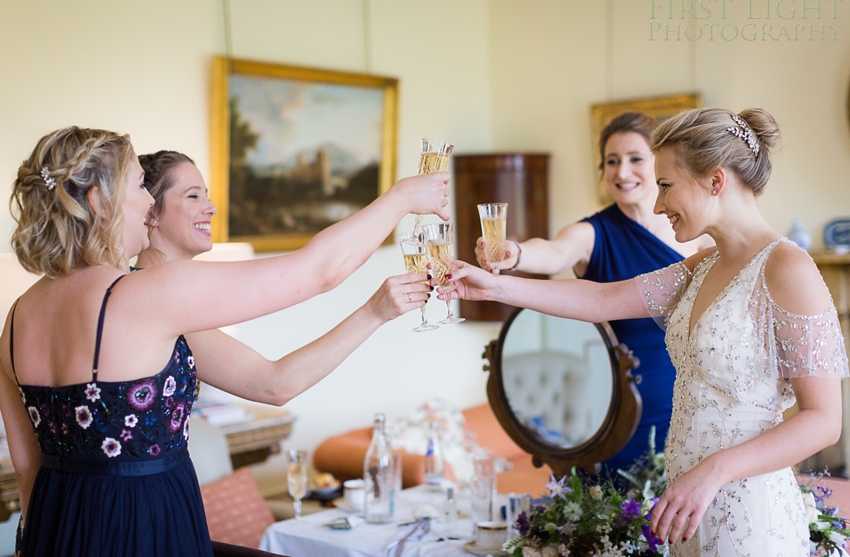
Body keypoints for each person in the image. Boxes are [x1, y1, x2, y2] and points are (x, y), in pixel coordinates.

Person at [0, 126, 449, 557]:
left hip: (53, 524)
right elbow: (318, 271)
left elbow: (26, 465)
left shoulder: (17, 317)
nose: (148, 205)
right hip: (145, 520)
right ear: (100, 202)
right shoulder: (144, 294)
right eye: (139, 187)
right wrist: (403, 197)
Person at [449, 107, 848, 555]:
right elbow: (602, 299)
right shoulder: (704, 264)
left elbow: (824, 422)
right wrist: (496, 286)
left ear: (715, 181)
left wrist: (713, 471)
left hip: (748, 513)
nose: (657, 205)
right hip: (687, 508)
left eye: (665, 186)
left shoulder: (788, 268)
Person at [475, 111, 710, 472]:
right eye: (611, 162)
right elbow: (554, 253)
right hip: (622, 413)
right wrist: (516, 253)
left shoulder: (696, 235)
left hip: (695, 404)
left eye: (635, 159)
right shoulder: (592, 233)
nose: (621, 172)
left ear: (659, 164)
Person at [134, 149, 423, 407]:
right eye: (193, 196)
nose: (211, 208)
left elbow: (273, 382)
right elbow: (275, 385)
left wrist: (377, 311)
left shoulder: (156, 291)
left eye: (207, 195)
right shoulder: (154, 294)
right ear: (151, 212)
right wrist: (374, 312)